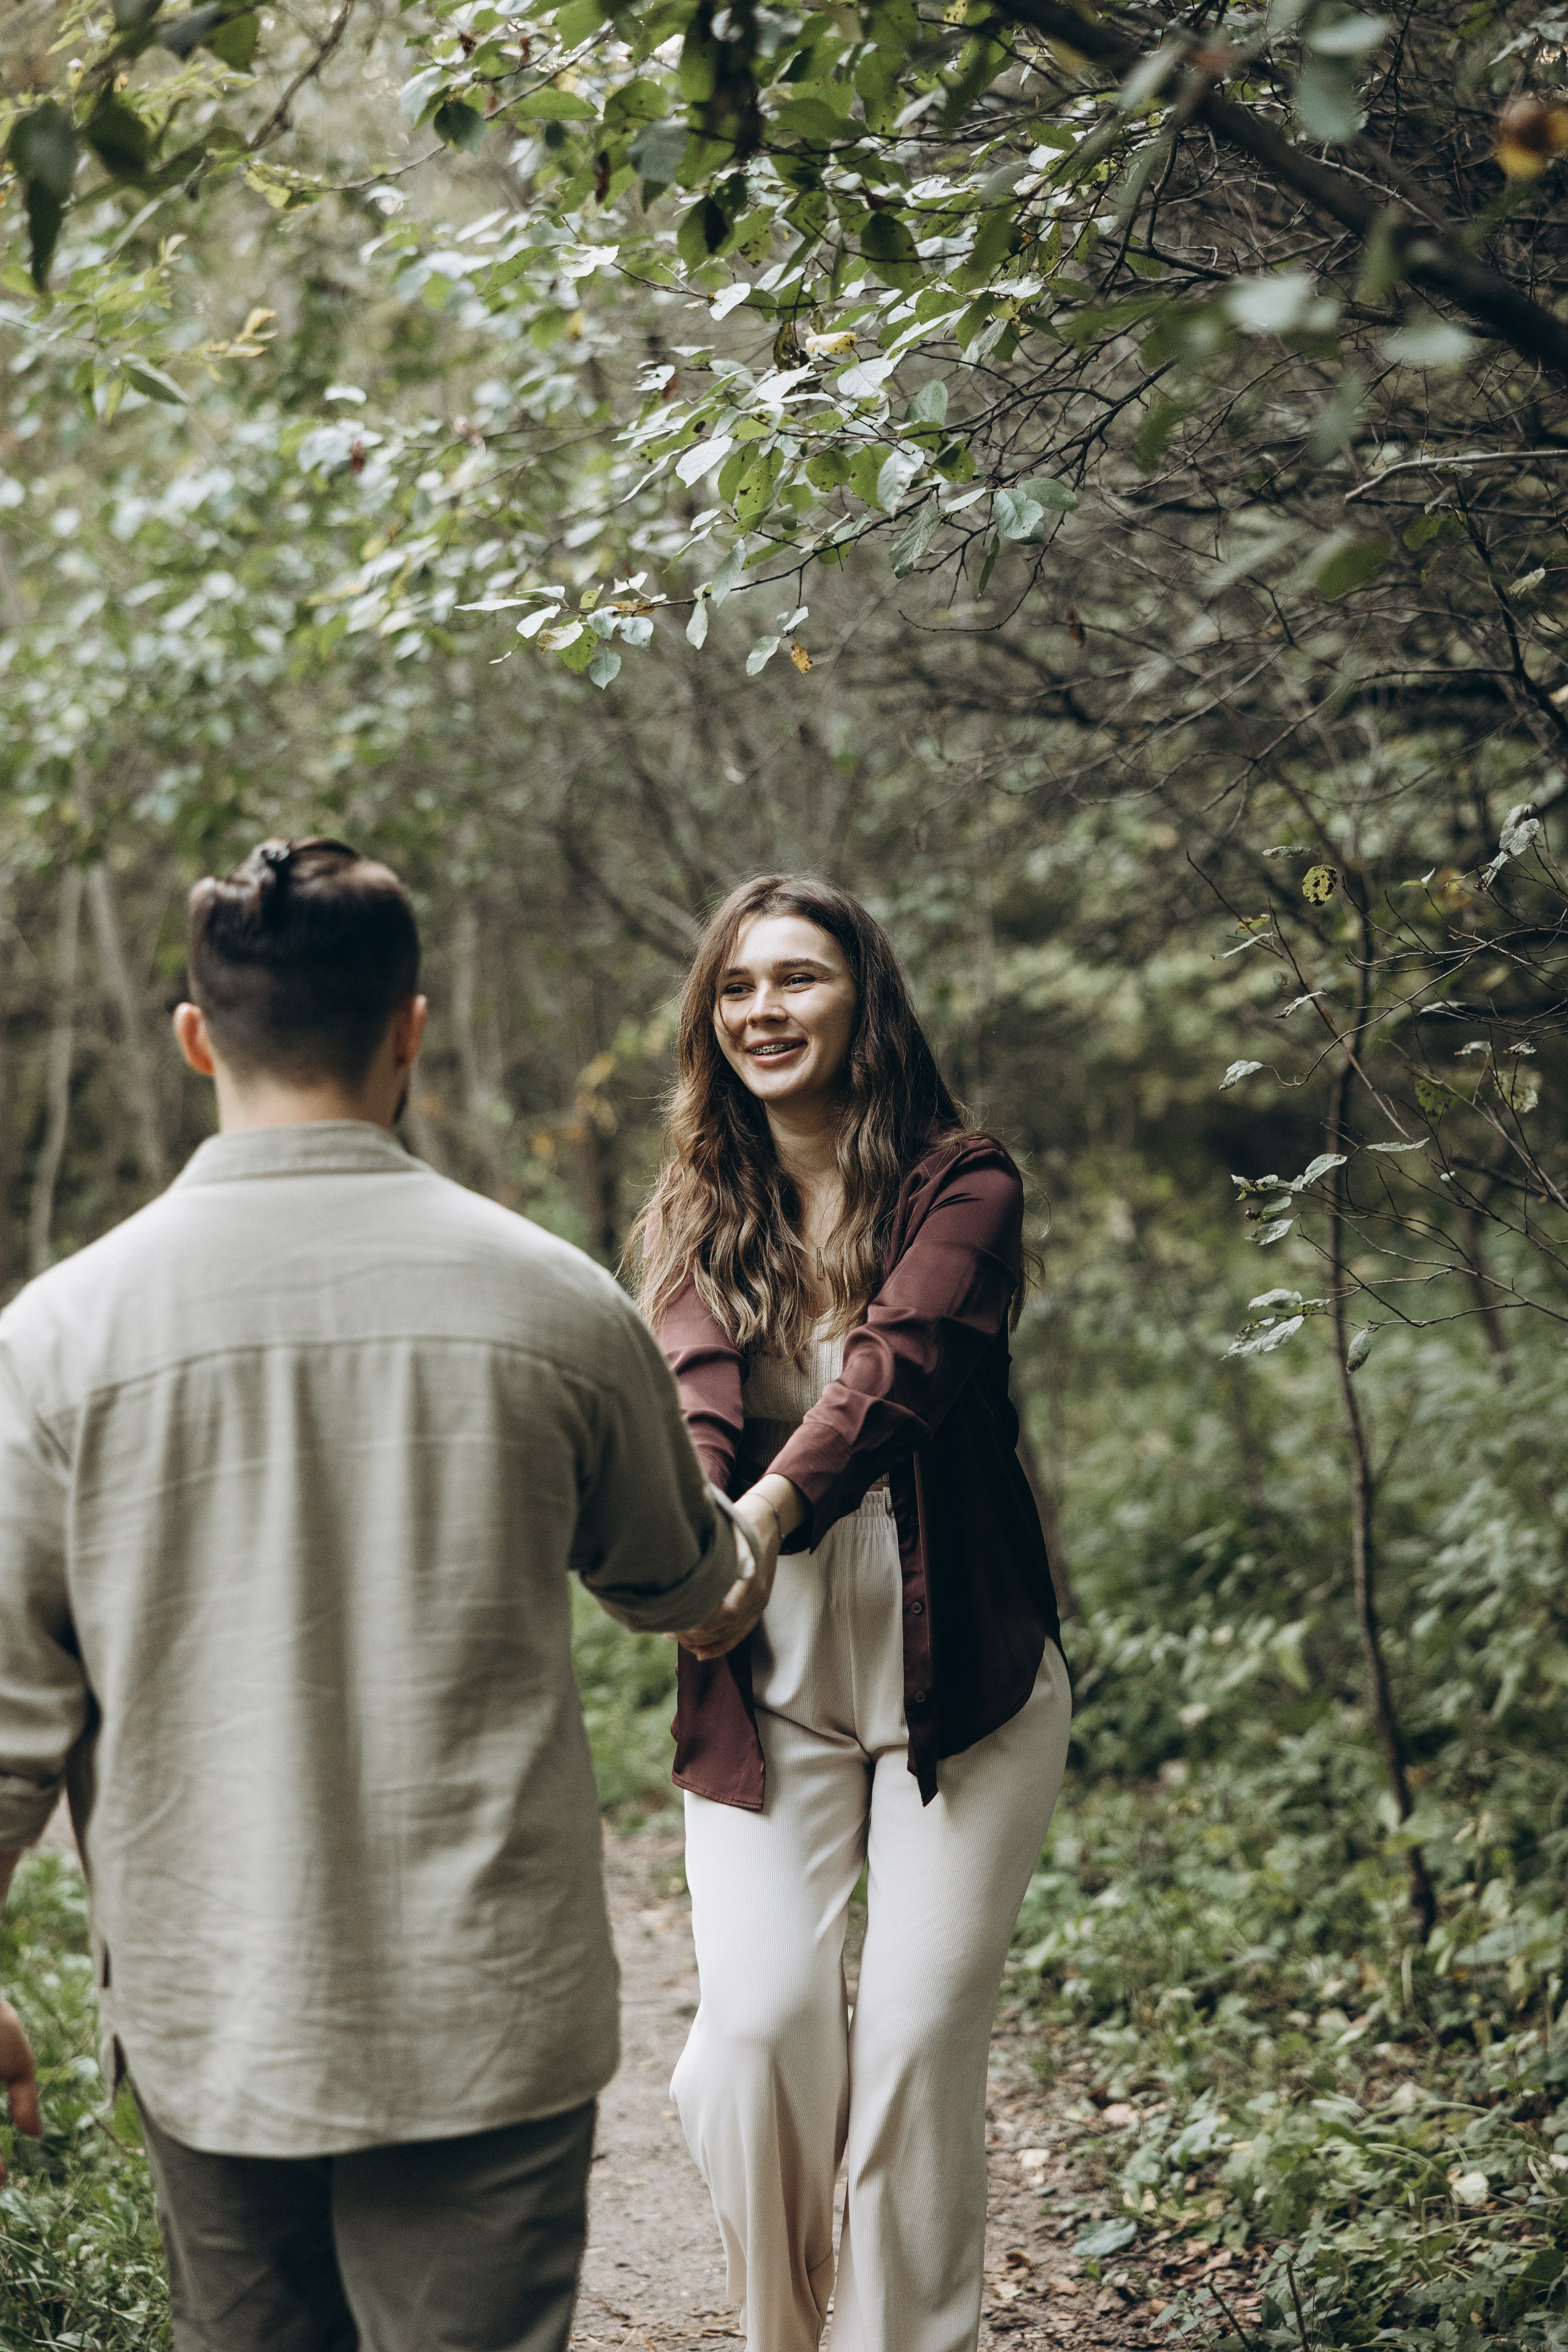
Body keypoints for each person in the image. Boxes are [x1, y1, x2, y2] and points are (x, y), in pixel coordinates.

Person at [0, 837, 766, 2352]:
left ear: (195, 1038)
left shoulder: (57, 1338)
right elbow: (684, 1581)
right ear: (410, 1029)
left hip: (216, 2018)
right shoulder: (554, 1301)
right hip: (490, 2013)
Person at [633, 874, 1072, 2352]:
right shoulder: (695, 1210)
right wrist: (699, 1537)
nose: (762, 1009)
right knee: (753, 2037)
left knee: (910, 2049)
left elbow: (895, 1373)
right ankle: (781, 2333)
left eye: (796, 978)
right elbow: (697, 1402)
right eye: (736, 986)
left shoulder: (964, 1184)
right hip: (766, 1670)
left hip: (966, 1672)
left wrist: (759, 1518)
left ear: (861, 999)